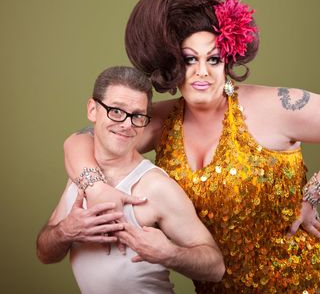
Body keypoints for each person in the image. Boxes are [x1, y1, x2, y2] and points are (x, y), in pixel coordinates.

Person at [64, 0, 320, 293]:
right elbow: (86, 139)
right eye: (189, 60)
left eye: (214, 58)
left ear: (228, 59)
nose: (202, 72)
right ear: (172, 65)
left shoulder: (272, 106)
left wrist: (312, 197)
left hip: (302, 282)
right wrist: (94, 186)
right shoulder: (163, 121)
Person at [36, 66, 225, 293]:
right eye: (116, 111)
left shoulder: (155, 187)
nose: (127, 124)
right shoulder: (81, 173)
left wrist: (169, 253)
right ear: (92, 110)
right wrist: (65, 231)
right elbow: (44, 253)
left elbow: (215, 267)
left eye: (137, 116)